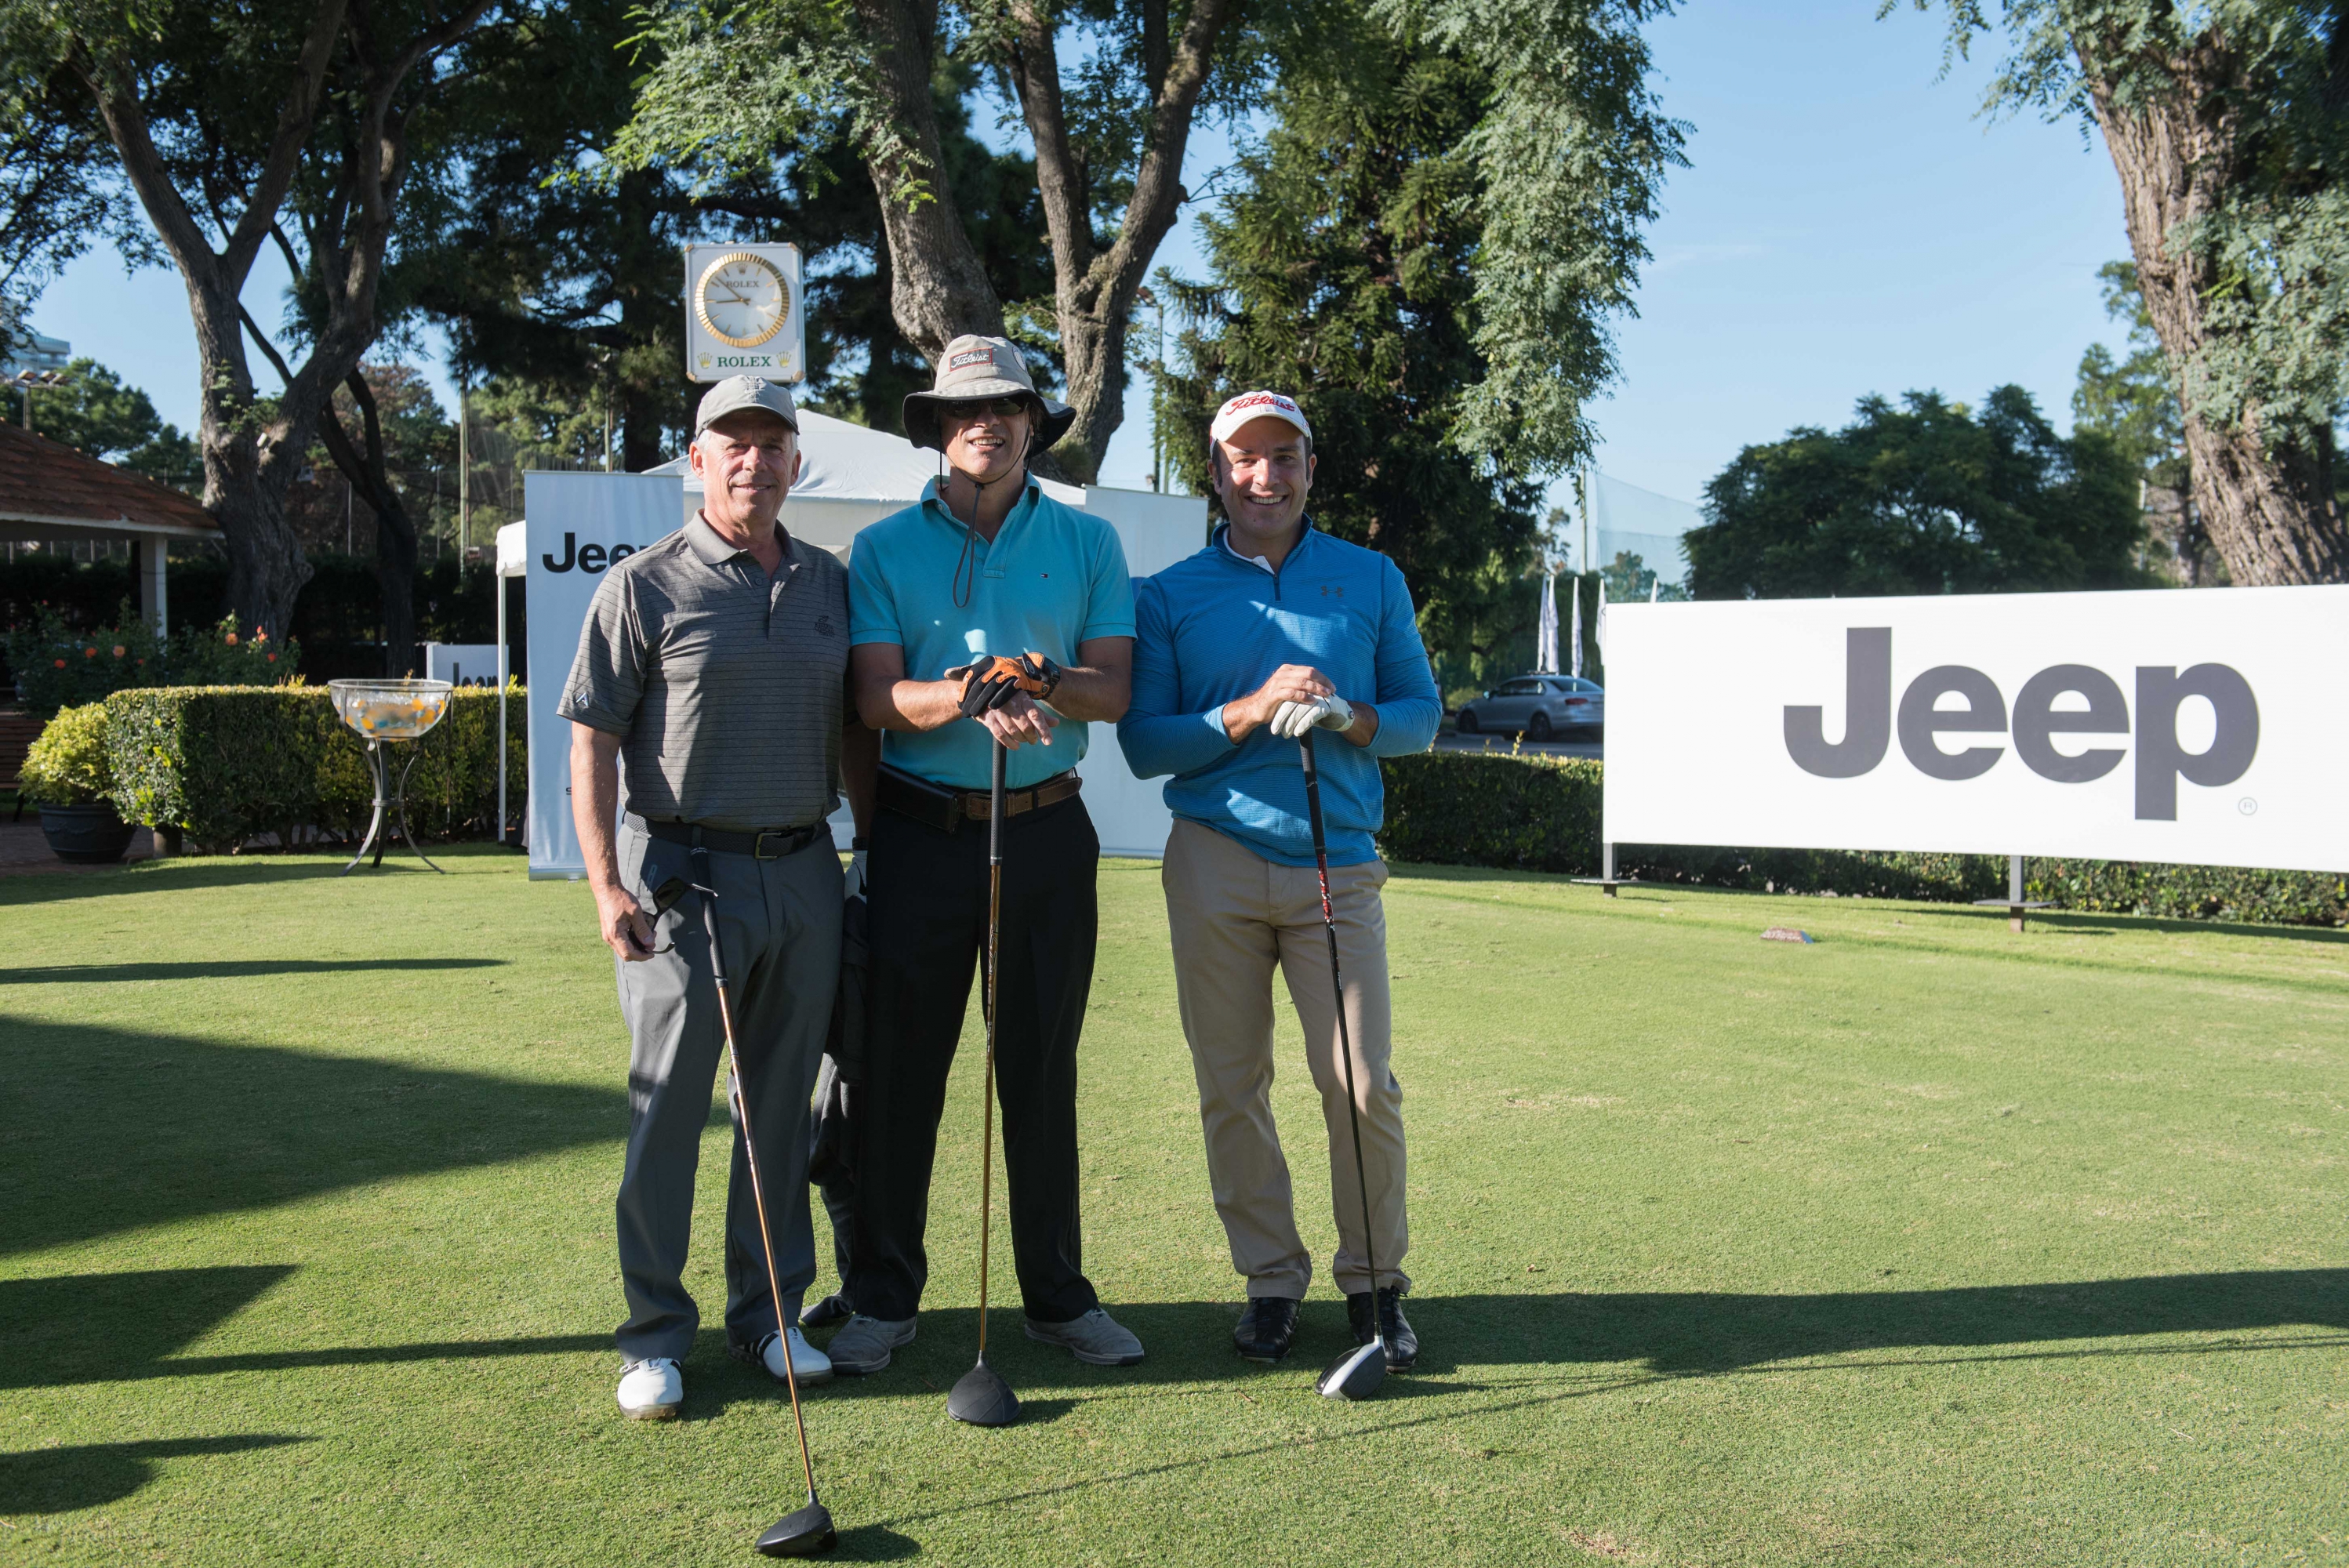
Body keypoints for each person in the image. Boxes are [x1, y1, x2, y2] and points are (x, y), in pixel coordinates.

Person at [823, 334, 1144, 1375]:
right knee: (898, 1082)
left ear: (1030, 420)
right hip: (921, 836)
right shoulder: (881, 549)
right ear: (936, 428)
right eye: (964, 411)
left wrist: (1037, 676)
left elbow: (1114, 690)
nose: (987, 424)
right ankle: (881, 1301)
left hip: (1048, 832)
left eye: (1006, 405)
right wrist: (973, 689)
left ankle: (1056, 1299)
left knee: (1039, 1075)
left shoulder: (1088, 542)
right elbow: (876, 700)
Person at [561, 376, 877, 1420]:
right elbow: (592, 741)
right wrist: (605, 882)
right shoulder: (644, 585)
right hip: (683, 881)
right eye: (730, 443)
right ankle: (653, 1335)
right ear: (695, 461)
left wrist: (865, 845)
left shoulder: (832, 583)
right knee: (666, 1115)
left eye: (771, 442)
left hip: (805, 874)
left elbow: (853, 730)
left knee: (779, 1115)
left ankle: (769, 1315)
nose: (752, 460)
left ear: (796, 461)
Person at [1116, 389, 1440, 1367]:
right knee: (1230, 1082)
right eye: (1244, 458)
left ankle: (1375, 1283)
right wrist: (1251, 709)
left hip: (1336, 857)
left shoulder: (1370, 576)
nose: (1265, 475)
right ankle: (1268, 1279)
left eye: (1283, 457)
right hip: (1214, 857)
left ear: (1308, 467)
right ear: (1214, 472)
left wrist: (1347, 716)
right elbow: (1142, 745)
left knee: (1358, 1081)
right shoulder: (1169, 592)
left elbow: (1420, 717)